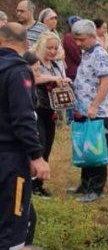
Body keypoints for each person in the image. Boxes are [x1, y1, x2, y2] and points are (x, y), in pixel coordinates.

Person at [0, 23, 50, 250]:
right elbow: (23, 118)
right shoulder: (18, 72)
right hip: (12, 160)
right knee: (15, 221)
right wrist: (36, 156)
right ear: (26, 44)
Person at [70, 19, 108, 203]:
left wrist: (94, 105)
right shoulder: (86, 53)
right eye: (76, 40)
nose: (78, 43)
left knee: (95, 150)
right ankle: (85, 183)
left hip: (95, 110)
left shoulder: (100, 55)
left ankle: (96, 188)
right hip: (82, 109)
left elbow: (105, 82)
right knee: (84, 147)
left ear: (92, 36)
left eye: (81, 40)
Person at [31, 31, 73, 197]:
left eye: (55, 48)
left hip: (51, 110)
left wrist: (64, 81)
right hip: (36, 109)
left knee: (47, 146)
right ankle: (32, 184)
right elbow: (34, 78)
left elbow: (61, 78)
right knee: (39, 144)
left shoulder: (55, 64)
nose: (52, 51)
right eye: (49, 48)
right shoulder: (34, 62)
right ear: (41, 46)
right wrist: (52, 79)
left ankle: (39, 184)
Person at [62, 16, 82, 80]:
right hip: (72, 71)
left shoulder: (74, 36)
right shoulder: (69, 37)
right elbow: (76, 55)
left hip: (74, 70)